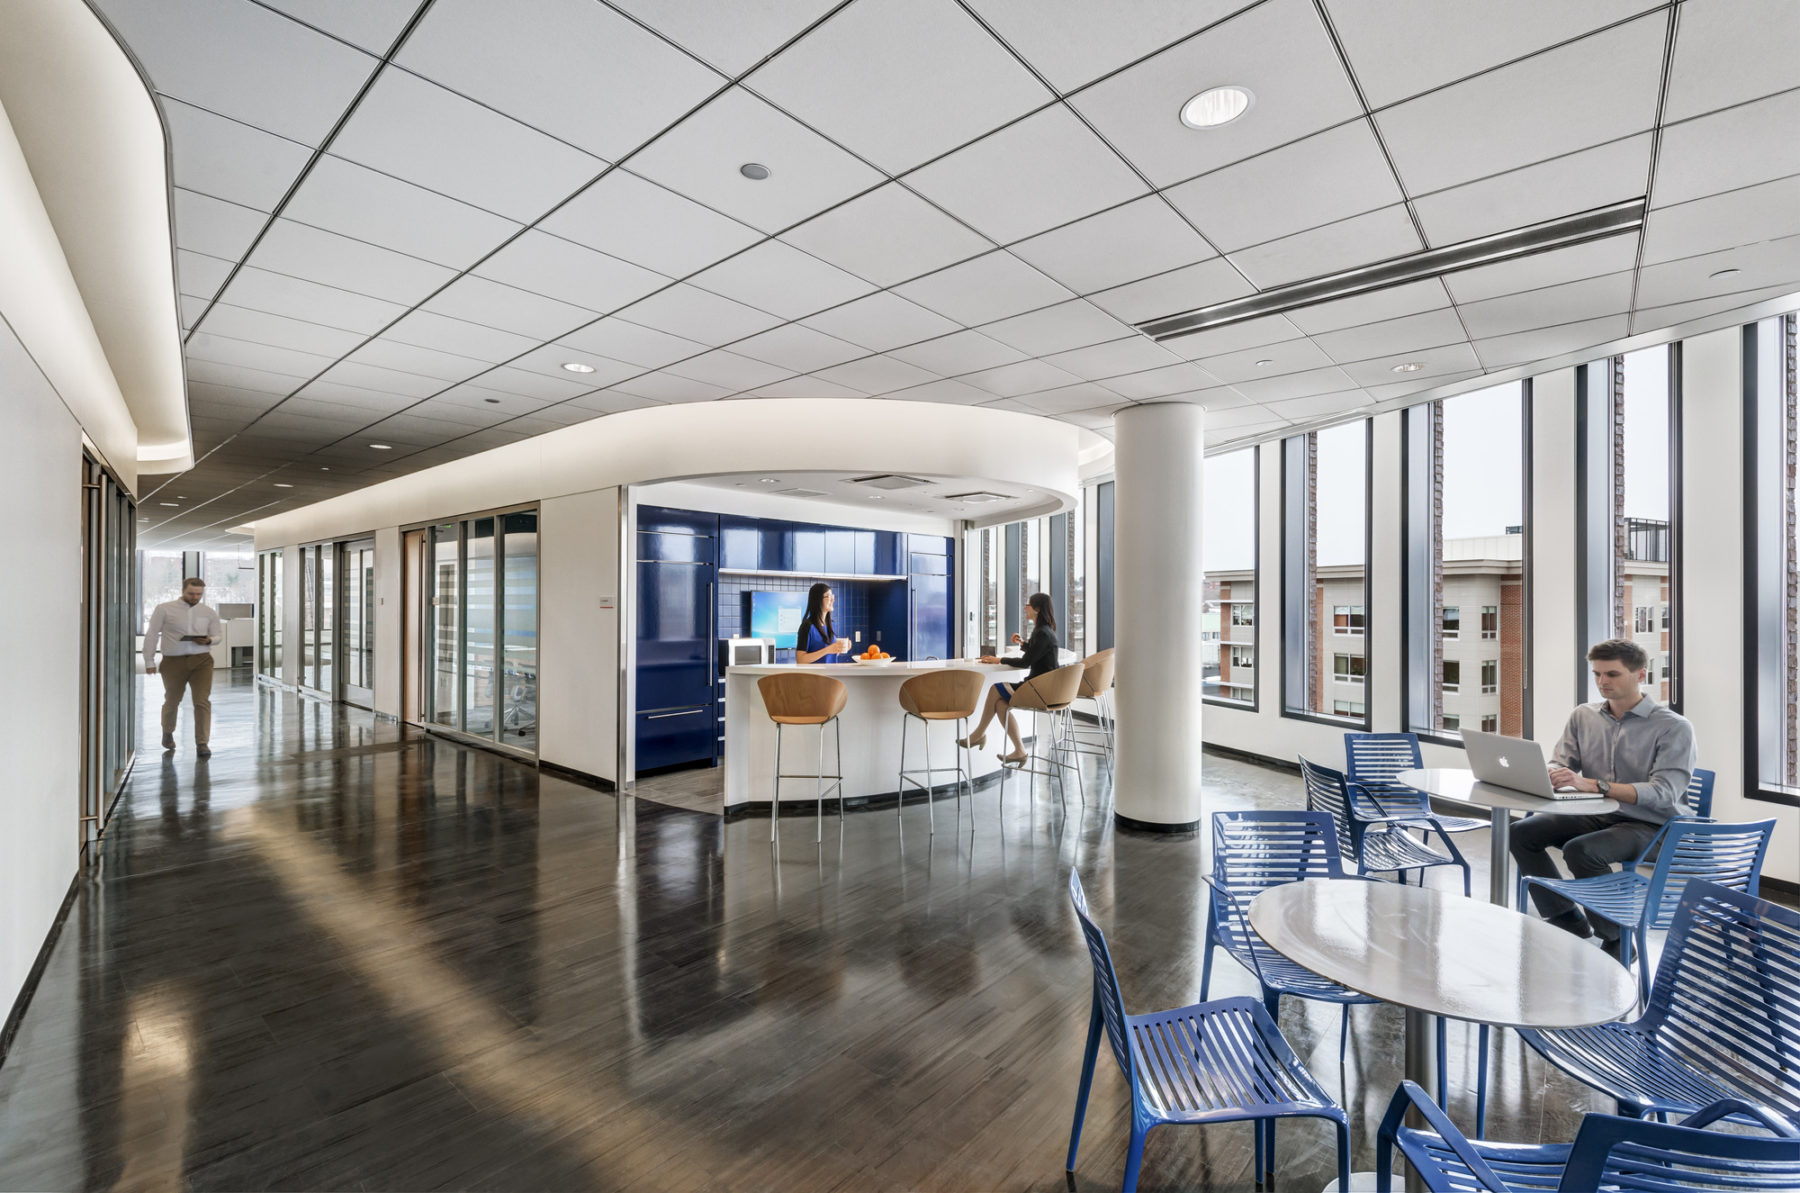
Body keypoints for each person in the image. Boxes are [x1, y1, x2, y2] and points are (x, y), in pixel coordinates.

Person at [1510, 638, 1697, 956]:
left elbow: (1664, 792)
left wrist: (1595, 785)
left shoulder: (1673, 727)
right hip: (1599, 812)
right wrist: (1556, 774)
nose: (1601, 682)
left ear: (1640, 674)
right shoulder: (1584, 715)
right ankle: (1565, 917)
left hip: (1654, 826)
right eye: (1597, 674)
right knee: (1520, 833)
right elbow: (1561, 761)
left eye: (1612, 674)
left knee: (1582, 850)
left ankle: (1617, 937)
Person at [959, 592, 1061, 765]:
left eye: (1028, 604)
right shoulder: (1044, 632)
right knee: (1000, 705)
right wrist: (1023, 644)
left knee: (995, 688)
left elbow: (1025, 663)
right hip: (1044, 687)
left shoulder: (1042, 633)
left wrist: (1000, 659)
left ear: (1036, 609)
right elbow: (1037, 653)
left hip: (1038, 689)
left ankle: (978, 734)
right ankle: (1019, 750)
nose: (1025, 607)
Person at [144, 576, 223, 759]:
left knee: (202, 701)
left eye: (199, 594)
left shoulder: (208, 612)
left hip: (202, 660)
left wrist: (210, 640)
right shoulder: (164, 609)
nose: (195, 597)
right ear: (182, 590)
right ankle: (167, 731)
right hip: (173, 661)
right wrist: (149, 660)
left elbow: (217, 635)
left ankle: (202, 743)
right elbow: (152, 634)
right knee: (172, 700)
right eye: (191, 593)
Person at [794, 582, 851, 664]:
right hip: (814, 676)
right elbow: (801, 660)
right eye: (828, 596)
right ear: (817, 600)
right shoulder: (807, 626)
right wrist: (828, 649)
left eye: (832, 596)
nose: (832, 600)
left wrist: (839, 649)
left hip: (830, 674)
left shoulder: (832, 624)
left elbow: (828, 656)